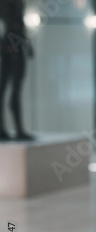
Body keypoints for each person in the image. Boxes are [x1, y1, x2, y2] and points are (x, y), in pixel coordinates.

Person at [0, 0, 34, 140]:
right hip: (10, 47)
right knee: (6, 90)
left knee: (15, 91)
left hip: (16, 46)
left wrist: (27, 44)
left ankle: (18, 129)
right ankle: (8, 130)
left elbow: (20, 23)